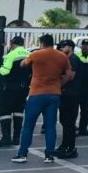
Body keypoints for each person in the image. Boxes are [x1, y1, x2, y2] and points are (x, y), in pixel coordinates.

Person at [11, 33, 73, 165]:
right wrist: (59, 85)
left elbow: (23, 64)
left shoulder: (36, 54)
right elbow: (68, 74)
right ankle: (49, 156)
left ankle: (22, 154)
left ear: (42, 43)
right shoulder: (62, 56)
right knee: (50, 126)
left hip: (36, 94)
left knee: (28, 125)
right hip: (54, 94)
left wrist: (29, 57)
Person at [0, 35, 31, 148]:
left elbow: (4, 72)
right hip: (24, 88)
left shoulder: (11, 55)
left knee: (5, 112)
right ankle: (16, 138)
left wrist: (0, 68)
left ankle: (6, 138)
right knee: (19, 111)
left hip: (10, 88)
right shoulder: (29, 54)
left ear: (13, 44)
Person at [55, 40, 82, 159]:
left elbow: (70, 76)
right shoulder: (66, 59)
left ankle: (71, 149)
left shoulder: (73, 59)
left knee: (69, 123)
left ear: (70, 48)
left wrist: (57, 83)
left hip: (72, 94)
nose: (61, 48)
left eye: (63, 46)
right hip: (65, 94)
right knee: (64, 121)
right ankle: (64, 146)